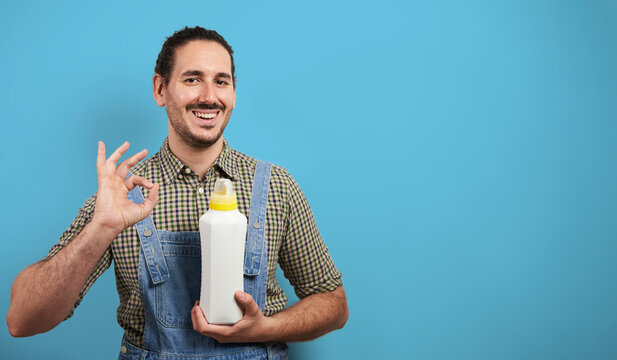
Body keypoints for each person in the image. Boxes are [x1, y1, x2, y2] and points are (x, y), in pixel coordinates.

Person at [7, 26, 348, 359]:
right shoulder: (123, 194)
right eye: (192, 79)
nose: (209, 96)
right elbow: (22, 320)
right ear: (160, 89)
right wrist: (101, 229)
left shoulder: (276, 186)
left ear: (233, 93)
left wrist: (265, 329)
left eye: (221, 81)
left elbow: (333, 305)